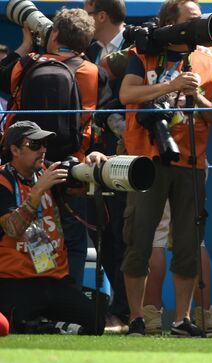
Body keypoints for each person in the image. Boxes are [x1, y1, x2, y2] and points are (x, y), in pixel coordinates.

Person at [119, 0, 212, 336]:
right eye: (193, 20)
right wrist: (170, 86)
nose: (201, 24)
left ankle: (182, 319)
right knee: (140, 238)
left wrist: (197, 96)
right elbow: (126, 94)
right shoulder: (145, 51)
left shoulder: (211, 59)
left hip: (191, 161)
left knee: (188, 242)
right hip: (146, 160)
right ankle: (137, 317)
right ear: (172, 24)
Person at [0, 8, 113, 289]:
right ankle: (66, 297)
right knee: (72, 240)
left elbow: (3, 80)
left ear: (55, 34)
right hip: (70, 168)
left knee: (11, 231)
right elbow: (101, 119)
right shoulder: (93, 72)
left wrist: (27, 45)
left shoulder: (26, 65)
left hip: (22, 168)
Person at [0, 121, 107, 335]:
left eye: (44, 144)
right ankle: (48, 325)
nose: (42, 150)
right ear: (14, 150)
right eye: (34, 145)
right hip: (15, 279)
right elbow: (12, 228)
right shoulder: (3, 181)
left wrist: (93, 162)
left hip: (54, 278)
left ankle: (48, 326)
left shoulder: (49, 171)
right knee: (12, 322)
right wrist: (38, 191)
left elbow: (83, 183)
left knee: (95, 322)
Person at [83, 0, 130, 332]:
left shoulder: (137, 45)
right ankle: (119, 308)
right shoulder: (85, 50)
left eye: (87, 8)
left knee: (126, 235)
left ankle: (129, 309)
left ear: (101, 15)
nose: (84, 15)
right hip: (92, 158)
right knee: (102, 234)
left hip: (129, 156)